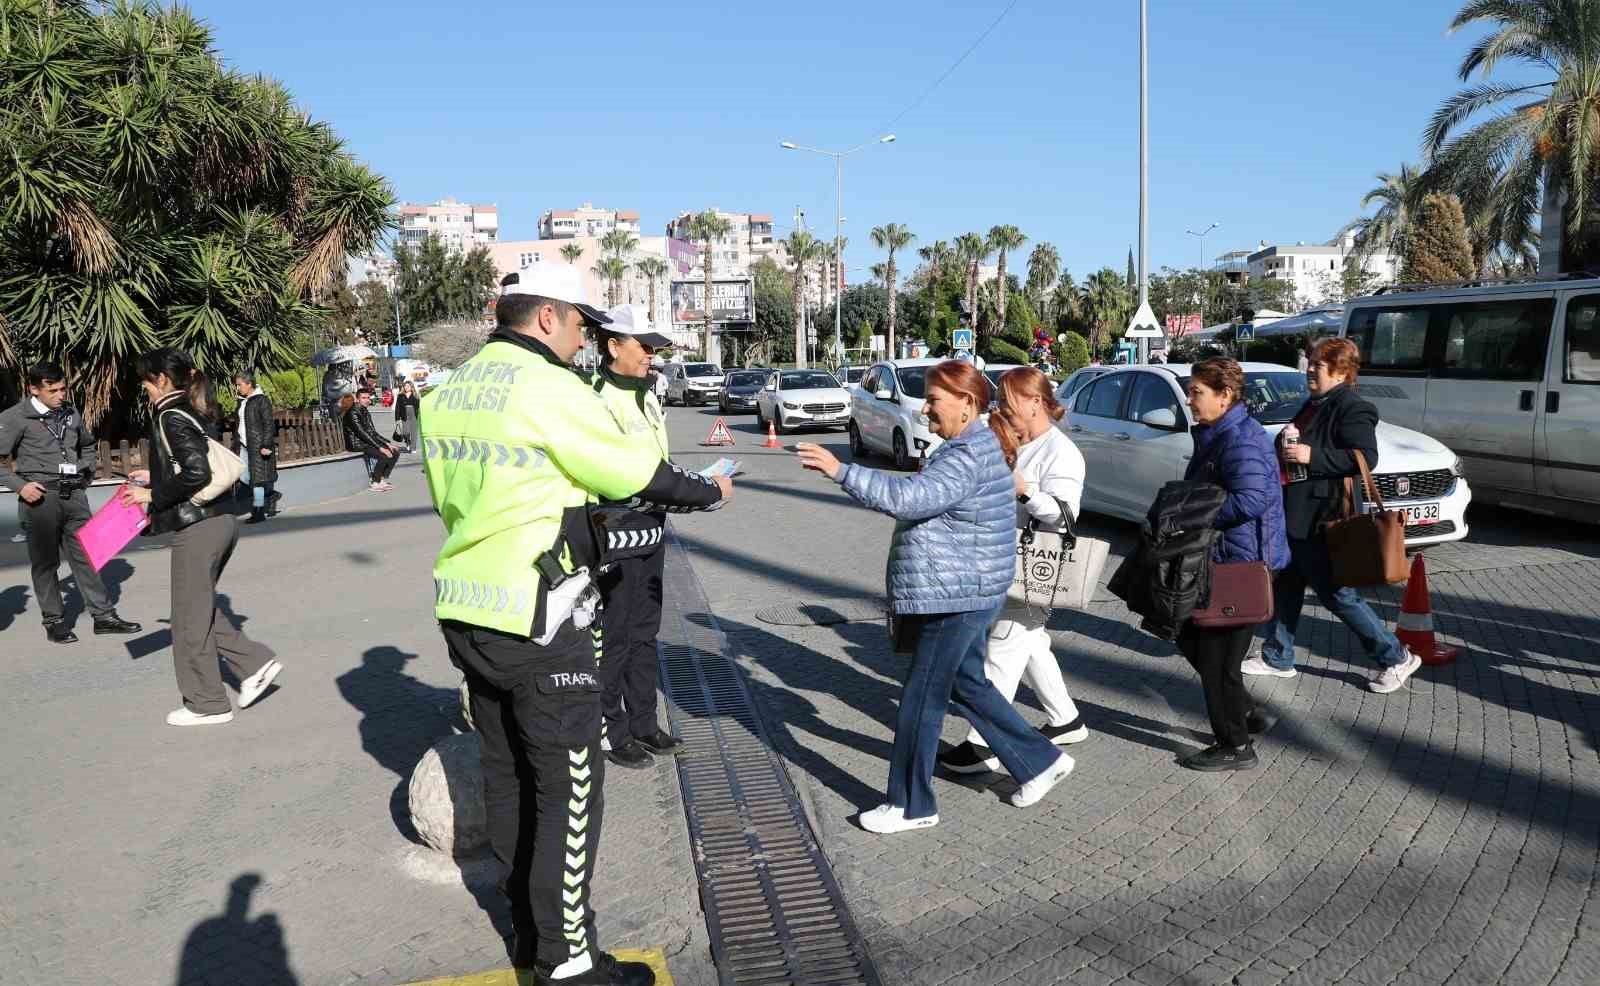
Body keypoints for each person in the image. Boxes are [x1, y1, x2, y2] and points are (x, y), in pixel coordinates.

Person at [423, 265, 730, 985]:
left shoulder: (449, 391)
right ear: (547, 318)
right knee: (568, 786)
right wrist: (707, 492)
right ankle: (570, 962)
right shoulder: (550, 389)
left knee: (508, 776)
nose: (585, 339)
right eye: (582, 325)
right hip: (541, 616)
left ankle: (529, 935)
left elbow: (455, 501)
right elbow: (636, 473)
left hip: (468, 606)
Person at [797, 360, 1074, 834]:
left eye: (934, 400)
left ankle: (911, 804)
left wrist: (841, 470)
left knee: (921, 698)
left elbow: (910, 499)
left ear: (967, 403)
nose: (926, 409)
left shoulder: (967, 453)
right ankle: (1040, 760)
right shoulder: (973, 444)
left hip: (955, 596)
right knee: (968, 685)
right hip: (967, 589)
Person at [1245, 337, 1423, 693]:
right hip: (1295, 513)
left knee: (1337, 594)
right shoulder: (1314, 403)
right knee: (1288, 583)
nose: (1310, 370)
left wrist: (1312, 456)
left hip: (1320, 516)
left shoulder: (1353, 407)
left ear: (1341, 372)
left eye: (1318, 365)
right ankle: (1278, 655)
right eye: (1309, 363)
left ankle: (1396, 656)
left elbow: (1364, 457)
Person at [939, 367, 1090, 775]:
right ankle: (1066, 720)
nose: (1002, 409)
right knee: (1032, 645)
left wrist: (1024, 488)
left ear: (1035, 402)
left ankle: (983, 746)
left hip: (1034, 570)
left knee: (1001, 654)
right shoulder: (1020, 440)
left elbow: (1064, 516)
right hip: (1004, 562)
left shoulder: (1061, 453)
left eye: (1008, 402)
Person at [120, 349, 283, 727]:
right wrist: (155, 476)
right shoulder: (191, 409)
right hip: (220, 520)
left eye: (145, 382)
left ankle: (207, 703)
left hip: (199, 527)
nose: (143, 389)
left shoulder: (169, 414)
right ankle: (254, 663)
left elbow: (195, 472)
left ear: (161, 379)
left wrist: (153, 495)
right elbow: (192, 463)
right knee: (198, 608)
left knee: (187, 620)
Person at [590, 304, 694, 770]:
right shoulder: (594, 396)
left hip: (653, 523)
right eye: (643, 346)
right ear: (613, 345)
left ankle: (644, 721)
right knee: (616, 633)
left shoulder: (648, 393)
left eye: (654, 347)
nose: (651, 354)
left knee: (646, 630)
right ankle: (613, 731)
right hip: (615, 527)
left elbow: (657, 461)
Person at [1174, 357, 1290, 771]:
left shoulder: (1239, 439)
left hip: (1241, 565)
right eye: (1190, 391)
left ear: (1224, 396)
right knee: (1190, 636)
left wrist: (1194, 512)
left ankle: (1235, 746)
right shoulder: (1218, 432)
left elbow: (1251, 500)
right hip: (1227, 557)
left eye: (1196, 392)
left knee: (1217, 659)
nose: (1190, 400)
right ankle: (1247, 713)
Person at [0, 361, 141, 643]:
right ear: (34, 389)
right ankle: (54, 621)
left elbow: (87, 444)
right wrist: (20, 486)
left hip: (74, 495)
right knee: (45, 563)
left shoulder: (70, 412)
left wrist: (86, 471)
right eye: (53, 390)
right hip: (40, 499)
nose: (61, 395)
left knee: (87, 556)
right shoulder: (15, 417)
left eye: (63, 388)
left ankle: (103, 616)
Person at [232, 371, 279, 524]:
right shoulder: (242, 401)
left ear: (249, 384)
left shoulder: (261, 400)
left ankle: (258, 512)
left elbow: (268, 424)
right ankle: (271, 495)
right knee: (244, 478)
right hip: (244, 446)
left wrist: (266, 444)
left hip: (258, 446)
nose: (238, 388)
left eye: (239, 385)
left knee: (257, 481)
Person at [341, 389, 399, 492]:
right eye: (363, 398)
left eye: (368, 398)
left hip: (365, 442)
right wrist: (380, 447)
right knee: (384, 455)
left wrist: (387, 443)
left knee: (395, 451)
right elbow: (362, 433)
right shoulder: (353, 413)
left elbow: (372, 432)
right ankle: (375, 482)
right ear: (357, 399)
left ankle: (381, 479)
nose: (367, 400)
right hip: (356, 444)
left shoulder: (365, 411)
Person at [393, 380, 422, 453]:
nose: (406, 387)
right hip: (404, 414)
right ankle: (408, 442)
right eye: (405, 386)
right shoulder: (400, 395)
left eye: (408, 386)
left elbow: (419, 407)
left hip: (414, 414)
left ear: (411, 387)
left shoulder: (416, 395)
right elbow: (397, 407)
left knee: (414, 432)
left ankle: (413, 448)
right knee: (405, 432)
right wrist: (397, 418)